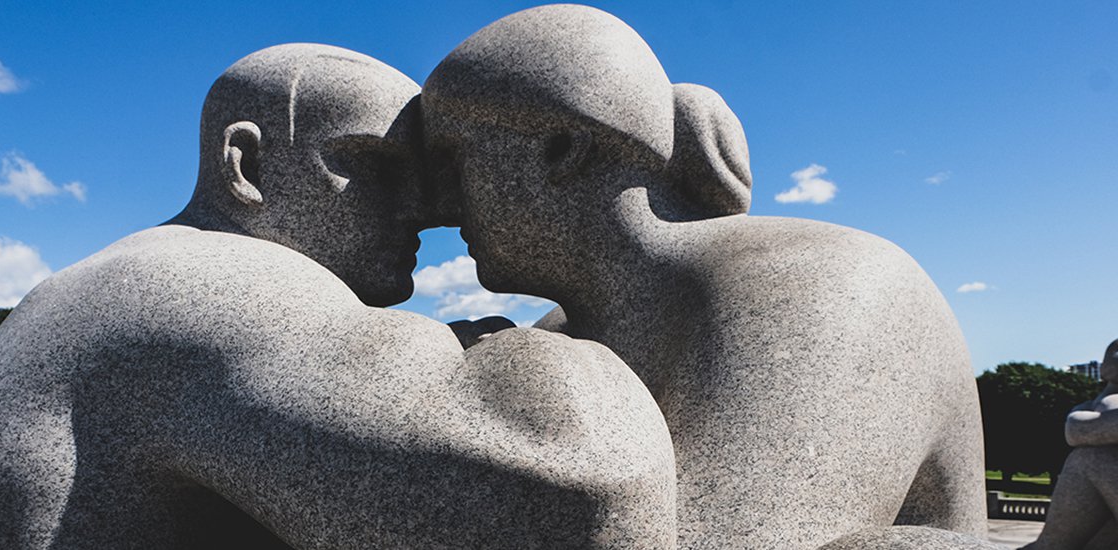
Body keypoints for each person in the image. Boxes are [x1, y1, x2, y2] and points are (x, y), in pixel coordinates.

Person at [0, 44, 677, 549]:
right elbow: (581, 485)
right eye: (375, 164)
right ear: (245, 165)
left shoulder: (112, 281)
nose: (428, 207)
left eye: (431, 173)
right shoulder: (199, 289)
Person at [421, 5, 986, 548]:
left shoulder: (821, 282)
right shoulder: (557, 329)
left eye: (452, 159)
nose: (437, 204)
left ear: (562, 148)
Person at [1027, 339, 1118, 550]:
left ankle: (1049, 546)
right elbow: (1075, 429)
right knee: (1088, 459)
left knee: (1090, 460)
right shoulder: (1094, 404)